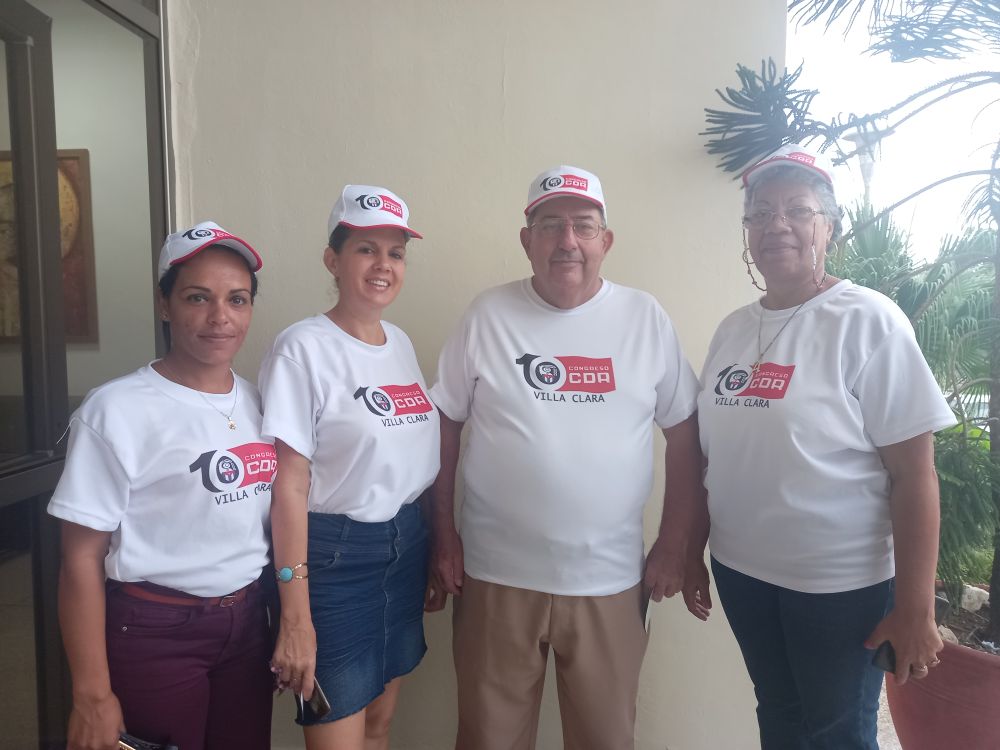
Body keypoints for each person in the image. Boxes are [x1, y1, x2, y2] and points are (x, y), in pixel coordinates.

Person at [688, 143, 956, 749]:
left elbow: (915, 475)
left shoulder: (868, 320)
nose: (776, 225)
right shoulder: (733, 329)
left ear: (828, 226)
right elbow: (718, 458)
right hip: (743, 573)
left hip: (839, 587)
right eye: (760, 212)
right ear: (747, 231)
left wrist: (917, 606)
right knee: (778, 715)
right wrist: (692, 547)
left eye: (798, 209)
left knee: (836, 733)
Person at [428, 165, 704, 749]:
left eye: (583, 225)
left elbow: (684, 431)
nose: (567, 241)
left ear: (606, 241)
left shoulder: (645, 318)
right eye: (550, 225)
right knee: (487, 741)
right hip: (495, 577)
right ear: (526, 241)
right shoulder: (487, 315)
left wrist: (675, 544)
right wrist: (442, 535)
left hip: (609, 580)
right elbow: (444, 423)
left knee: (605, 740)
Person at [49, 221, 276, 750]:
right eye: (198, 297)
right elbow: (79, 560)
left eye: (237, 299)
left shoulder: (260, 402)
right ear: (164, 304)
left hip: (247, 625)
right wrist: (91, 694)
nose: (220, 317)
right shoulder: (116, 410)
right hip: (155, 631)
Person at [260, 184, 439, 750]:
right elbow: (286, 486)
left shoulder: (402, 344)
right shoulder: (302, 348)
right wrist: (295, 614)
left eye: (396, 252)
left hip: (405, 547)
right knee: (338, 737)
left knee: (379, 727)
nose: (383, 264)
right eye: (366, 248)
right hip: (334, 561)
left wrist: (430, 548)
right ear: (333, 260)